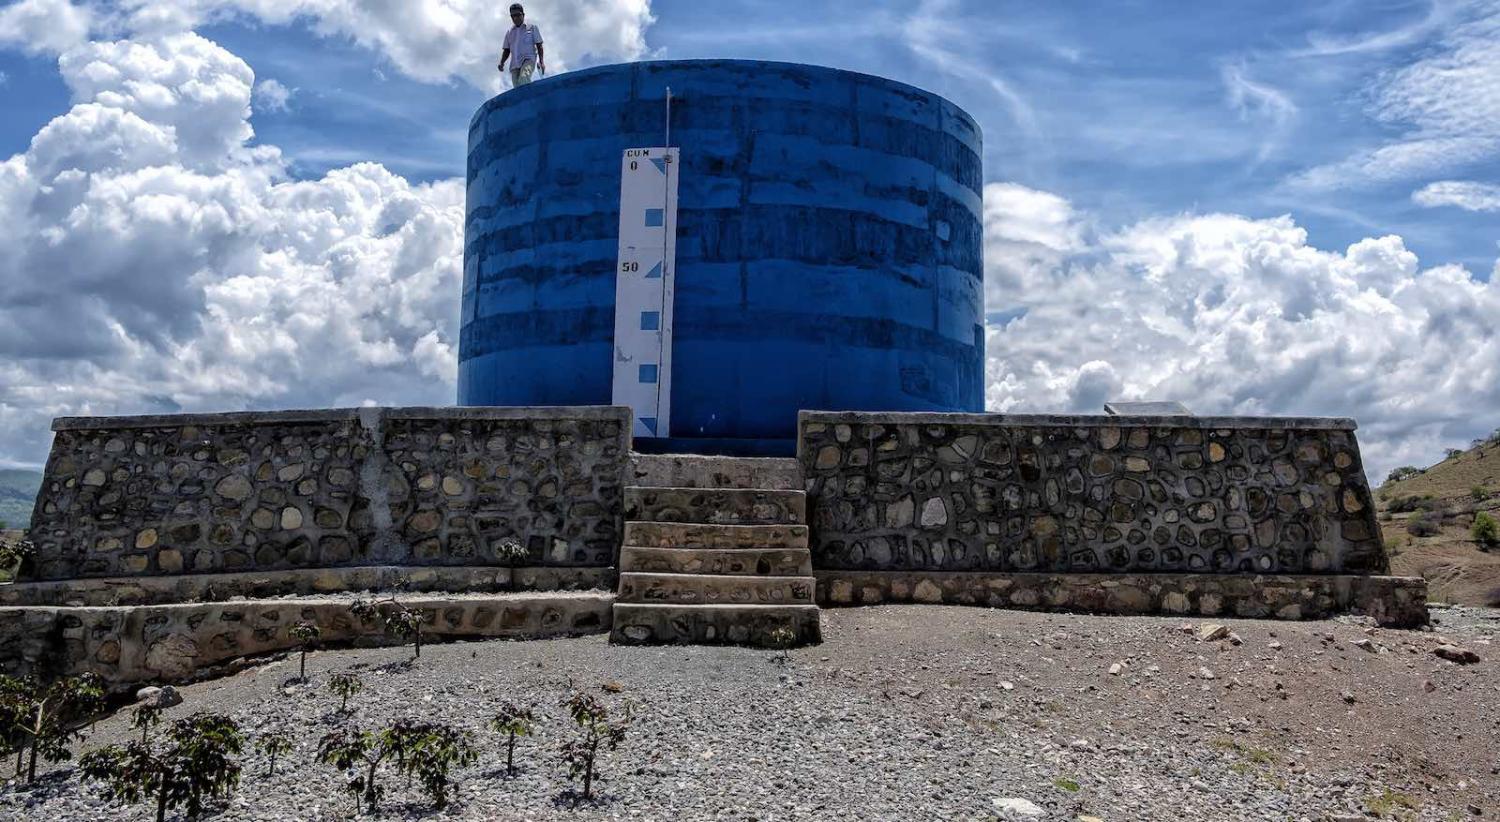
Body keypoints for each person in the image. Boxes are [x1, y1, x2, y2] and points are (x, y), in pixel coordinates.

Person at [498, 4, 544, 88]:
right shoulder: (509, 32)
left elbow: (539, 45)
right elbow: (506, 50)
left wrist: (541, 61)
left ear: (523, 15)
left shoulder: (532, 27)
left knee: (523, 79)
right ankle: (529, 96)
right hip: (514, 64)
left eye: (518, 15)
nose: (515, 18)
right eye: (513, 16)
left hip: (528, 60)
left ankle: (531, 94)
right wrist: (502, 62)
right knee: (517, 87)